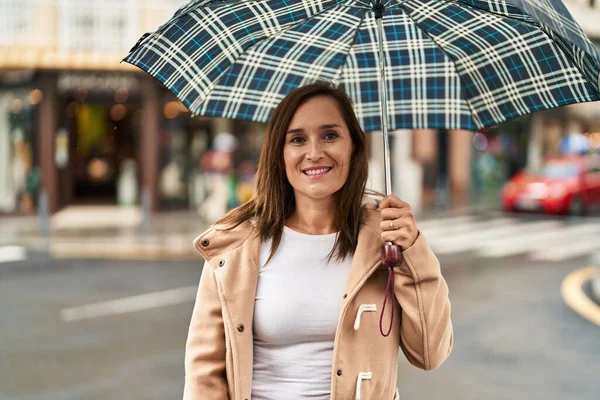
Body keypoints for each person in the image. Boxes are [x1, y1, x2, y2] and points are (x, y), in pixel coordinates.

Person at [184, 82, 453, 400]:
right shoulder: (234, 247)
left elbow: (429, 353)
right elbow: (204, 375)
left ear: (353, 145)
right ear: (280, 153)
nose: (314, 153)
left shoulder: (387, 241)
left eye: (330, 135)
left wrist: (413, 251)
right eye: (297, 139)